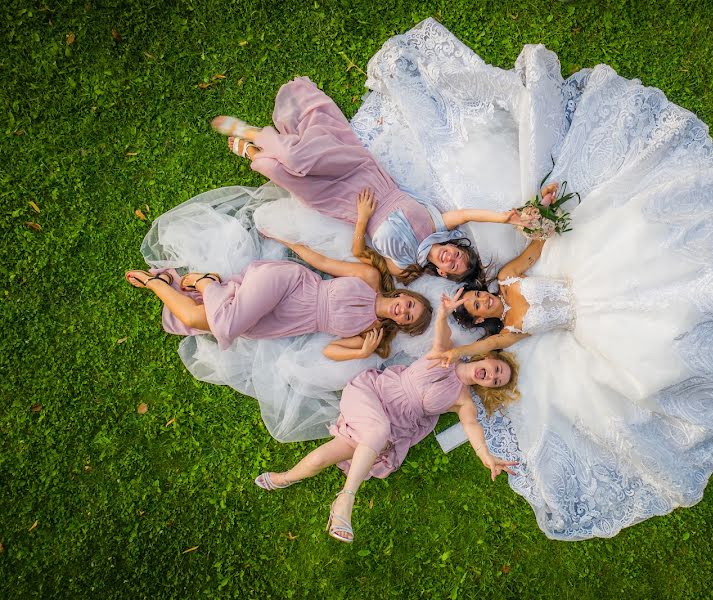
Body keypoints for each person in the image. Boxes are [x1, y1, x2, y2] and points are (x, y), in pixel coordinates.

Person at [356, 19, 713, 540]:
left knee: (645, 238)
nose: (482, 304)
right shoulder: (511, 332)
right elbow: (476, 351)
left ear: (483, 291)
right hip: (592, 326)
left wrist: (541, 220)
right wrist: (449, 342)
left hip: (590, 281)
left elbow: (537, 245)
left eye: (476, 298)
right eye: (477, 307)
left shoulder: (512, 278)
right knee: (656, 355)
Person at [253, 293, 520, 543]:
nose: (492, 376)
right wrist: (442, 314)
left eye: (497, 381)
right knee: (377, 429)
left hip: (390, 426)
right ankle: (345, 499)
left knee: (324, 457)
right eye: (496, 369)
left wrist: (486, 456)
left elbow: (472, 428)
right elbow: (442, 335)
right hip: (371, 395)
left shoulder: (462, 401)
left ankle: (285, 478)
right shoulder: (446, 356)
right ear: (487, 357)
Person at [210, 76, 530, 283]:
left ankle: (254, 152)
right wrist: (506, 218)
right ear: (456, 247)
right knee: (299, 159)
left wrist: (363, 219)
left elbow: (362, 254)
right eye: (459, 255)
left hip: (348, 205)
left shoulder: (404, 267)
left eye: (455, 265)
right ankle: (254, 134)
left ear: (444, 272)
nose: (453, 258)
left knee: (288, 176)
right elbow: (470, 214)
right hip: (366, 176)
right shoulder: (437, 225)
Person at [125, 234, 431, 360]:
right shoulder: (370, 278)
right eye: (410, 304)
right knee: (225, 324)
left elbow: (330, 351)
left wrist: (361, 353)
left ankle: (159, 282)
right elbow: (322, 263)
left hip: (285, 321)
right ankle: (206, 285)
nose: (404, 310)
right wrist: (285, 238)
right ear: (405, 294)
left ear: (400, 324)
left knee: (195, 318)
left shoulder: (370, 332)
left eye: (407, 317)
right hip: (290, 285)